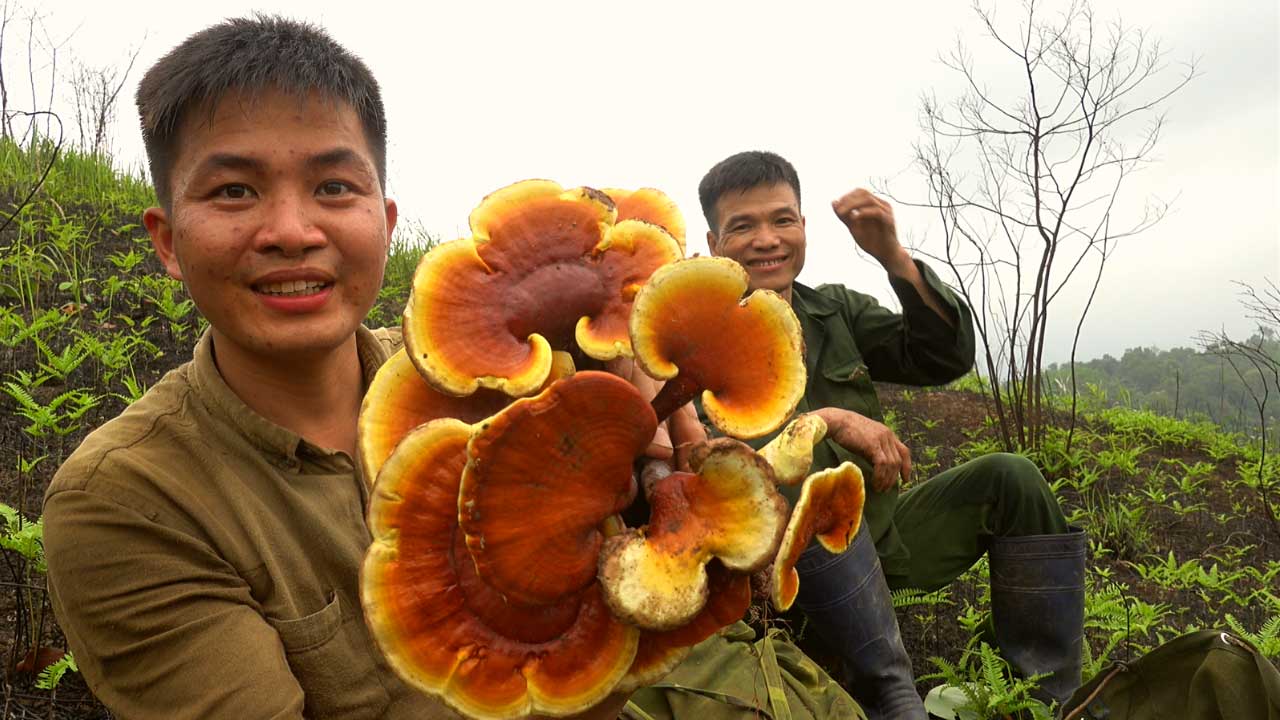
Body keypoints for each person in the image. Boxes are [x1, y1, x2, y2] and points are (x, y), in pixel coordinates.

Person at [42, 17, 859, 720]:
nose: (290, 230)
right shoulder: (126, 501)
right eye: (232, 192)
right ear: (165, 239)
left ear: (385, 218)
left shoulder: (495, 394)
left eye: (333, 185)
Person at [697, 150, 1086, 719]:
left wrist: (893, 257)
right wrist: (831, 419)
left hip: (882, 541)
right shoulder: (696, 332)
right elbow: (731, 468)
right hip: (787, 576)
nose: (766, 239)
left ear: (804, 226)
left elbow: (939, 358)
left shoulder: (832, 311)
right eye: (743, 226)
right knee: (818, 502)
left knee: (1012, 479)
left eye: (782, 220)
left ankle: (1037, 696)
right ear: (713, 243)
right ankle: (885, 690)